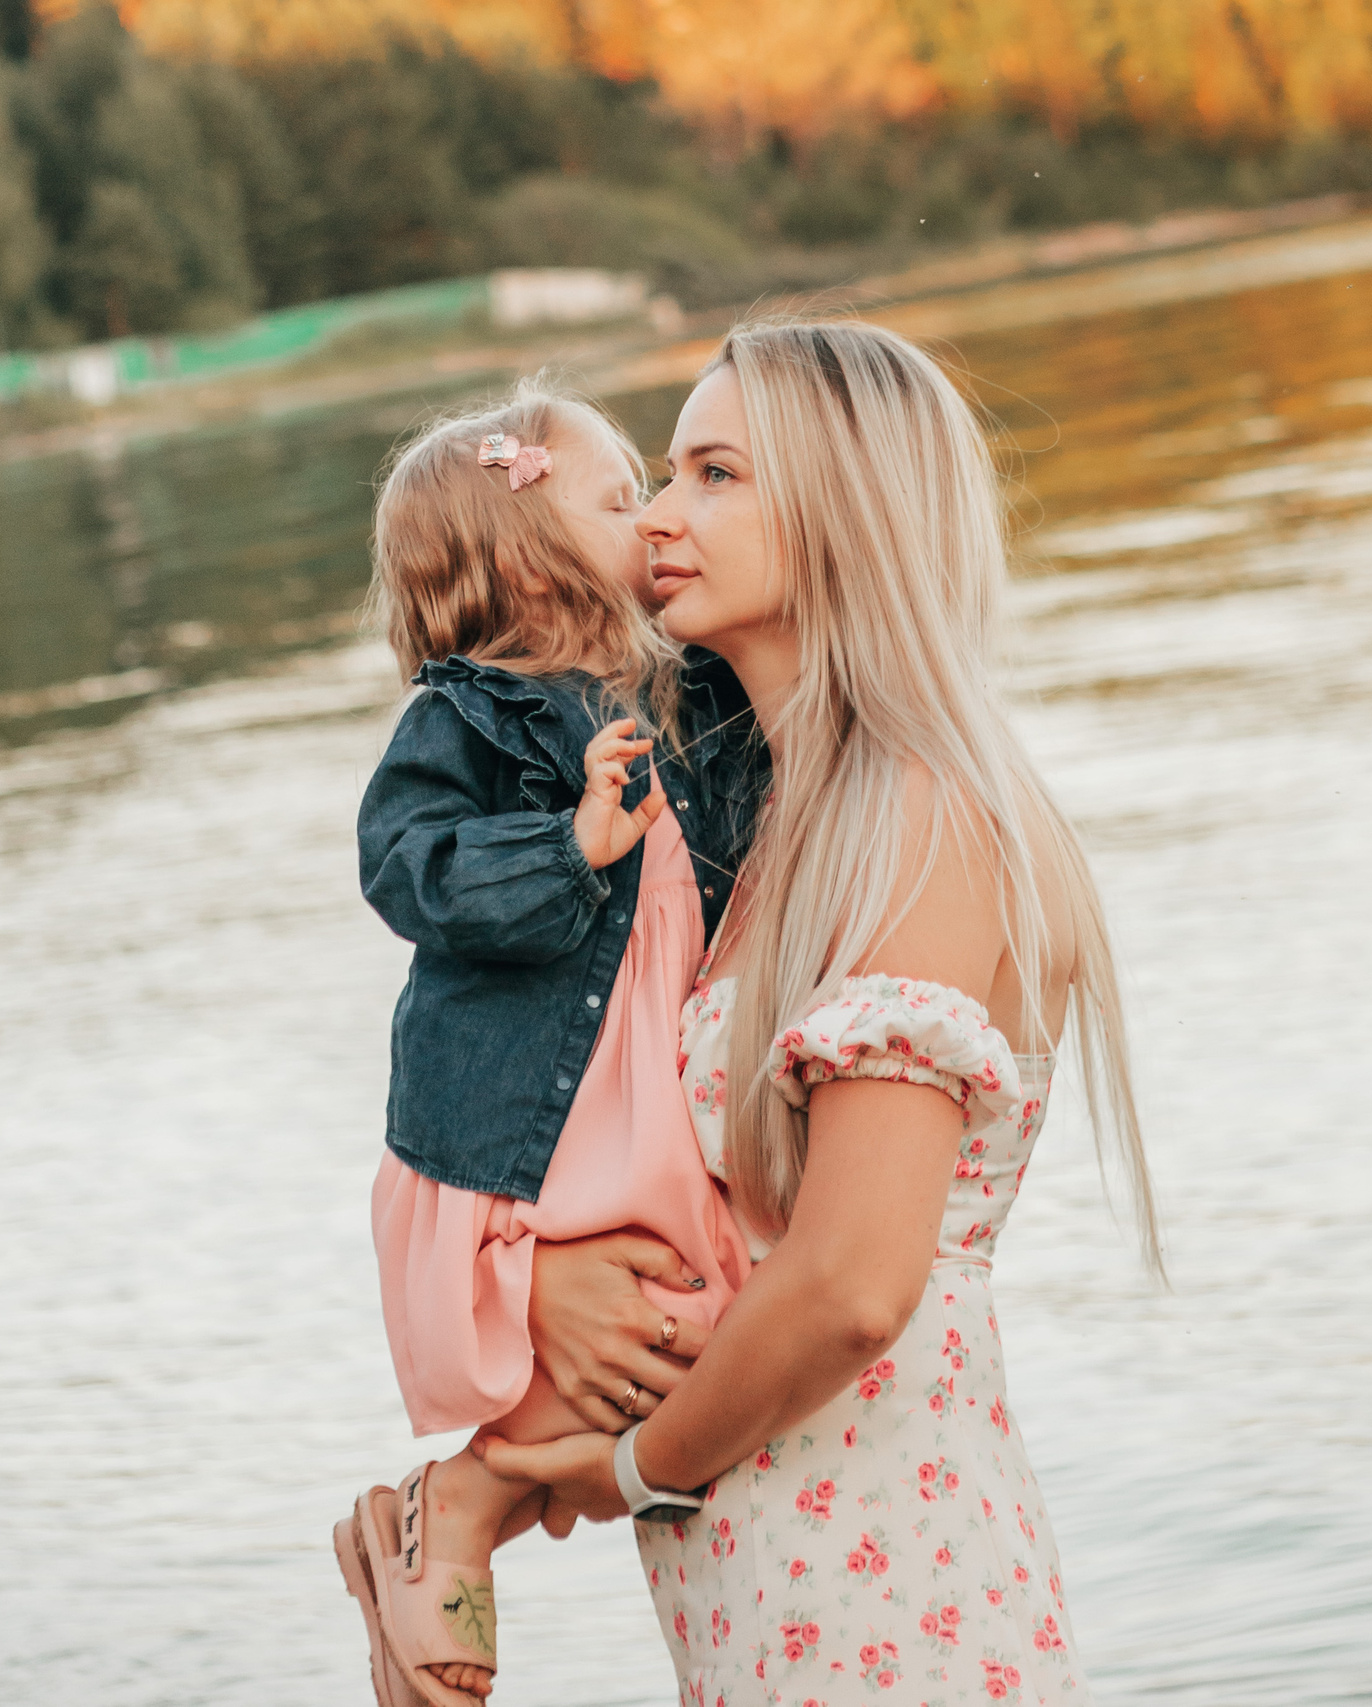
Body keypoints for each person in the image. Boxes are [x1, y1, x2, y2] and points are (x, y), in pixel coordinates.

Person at [481, 320, 1164, 1705]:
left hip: (893, 1610)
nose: (660, 515)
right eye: (669, 473)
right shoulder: (776, 839)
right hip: (770, 1605)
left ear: (848, 507)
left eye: (717, 473)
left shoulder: (925, 817)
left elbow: (855, 1283)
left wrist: (633, 1472)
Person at [332, 380, 768, 1706]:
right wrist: (564, 847)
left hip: (646, 1097)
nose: (654, 517)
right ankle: (459, 1516)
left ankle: (453, 1511)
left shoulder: (689, 686)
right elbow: (403, 866)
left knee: (691, 1320)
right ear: (527, 555)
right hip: (538, 1121)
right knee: (646, 1327)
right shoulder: (468, 716)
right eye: (623, 496)